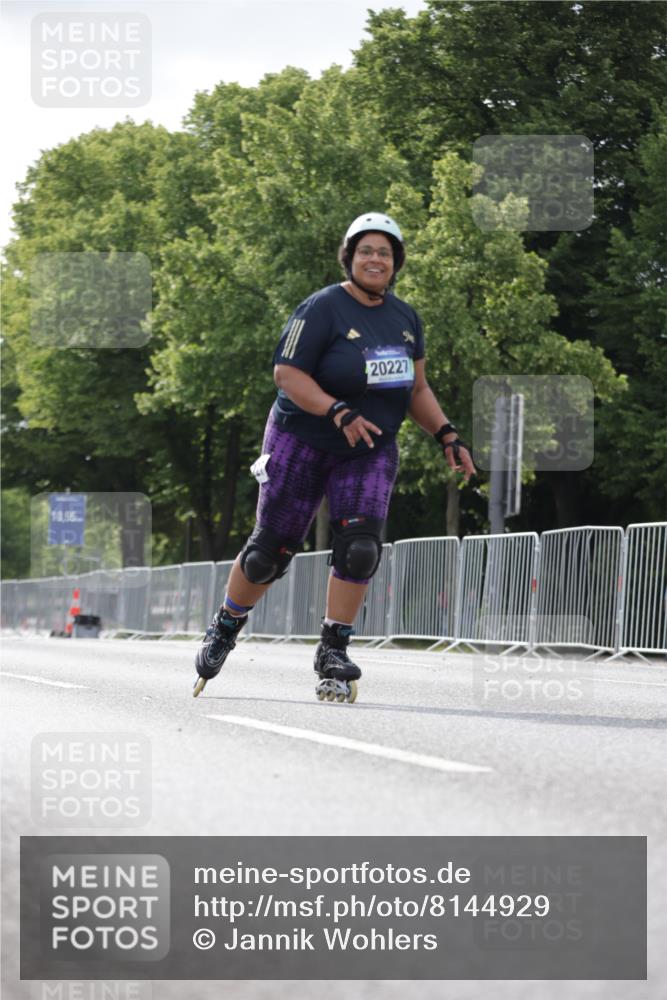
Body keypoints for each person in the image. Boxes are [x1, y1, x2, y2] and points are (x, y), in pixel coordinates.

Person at [193, 212, 476, 700]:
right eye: (365, 250)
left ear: (395, 264)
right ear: (349, 257)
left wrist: (447, 434)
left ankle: (333, 647)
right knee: (268, 554)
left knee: (361, 546)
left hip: (368, 447)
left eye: (384, 253)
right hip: (302, 438)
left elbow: (417, 388)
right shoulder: (322, 307)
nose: (375, 259)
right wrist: (338, 411)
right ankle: (226, 624)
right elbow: (288, 375)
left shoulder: (406, 319)